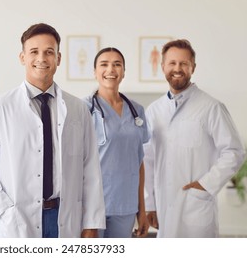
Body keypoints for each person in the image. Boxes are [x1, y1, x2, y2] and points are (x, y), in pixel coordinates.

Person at [0, 23, 105, 238]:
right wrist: (4, 209)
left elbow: (91, 169)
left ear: (58, 58)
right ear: (22, 57)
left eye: (49, 52)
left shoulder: (77, 109)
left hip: (66, 217)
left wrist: (91, 223)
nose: (42, 58)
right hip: (17, 219)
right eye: (34, 52)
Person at [143, 39, 246, 237]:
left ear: (193, 67)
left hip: (196, 206)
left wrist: (205, 184)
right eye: (172, 63)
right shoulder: (154, 110)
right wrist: (149, 204)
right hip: (164, 205)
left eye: (184, 63)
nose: (177, 68)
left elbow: (234, 151)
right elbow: (148, 159)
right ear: (162, 66)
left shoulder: (211, 107)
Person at [84, 47, 149, 238]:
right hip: (93, 206)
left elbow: (138, 163)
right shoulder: (83, 109)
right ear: (95, 72)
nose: (111, 70)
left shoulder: (137, 110)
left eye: (117, 64)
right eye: (104, 64)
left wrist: (142, 210)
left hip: (126, 205)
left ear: (123, 72)